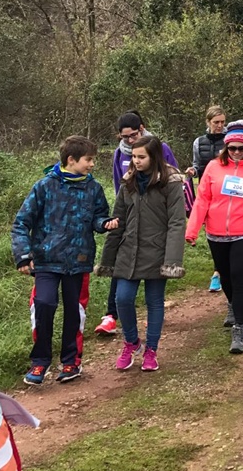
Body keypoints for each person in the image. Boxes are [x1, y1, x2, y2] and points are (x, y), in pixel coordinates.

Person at [12, 135, 112, 385]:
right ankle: (39, 363)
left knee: (74, 312)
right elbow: (21, 223)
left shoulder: (94, 188)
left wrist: (105, 224)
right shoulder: (44, 186)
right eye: (89, 160)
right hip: (45, 261)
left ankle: (71, 362)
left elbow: (99, 218)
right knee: (43, 305)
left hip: (79, 262)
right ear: (71, 159)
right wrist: (23, 256)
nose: (92, 165)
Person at [185, 121, 243, 354]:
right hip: (216, 232)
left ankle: (240, 328)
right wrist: (192, 230)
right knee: (225, 277)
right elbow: (202, 199)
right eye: (232, 148)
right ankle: (233, 305)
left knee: (239, 277)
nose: (236, 152)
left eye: (241, 148)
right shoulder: (213, 168)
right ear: (226, 147)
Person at [97, 136, 186, 373]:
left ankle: (151, 350)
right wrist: (108, 258)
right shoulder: (128, 182)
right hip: (129, 251)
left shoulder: (172, 182)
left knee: (154, 302)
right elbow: (120, 219)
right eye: (133, 156)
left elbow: (177, 222)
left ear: (154, 156)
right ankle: (132, 343)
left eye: (141, 157)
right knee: (122, 298)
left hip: (158, 251)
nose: (135, 161)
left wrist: (172, 260)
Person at [186, 105, 227, 293]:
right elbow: (197, 165)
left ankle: (221, 271)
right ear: (208, 122)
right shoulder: (198, 142)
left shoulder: (229, 141)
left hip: (226, 193)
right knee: (213, 232)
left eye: (222, 122)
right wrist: (192, 171)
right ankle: (219, 269)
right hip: (206, 193)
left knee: (226, 230)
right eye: (216, 122)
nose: (219, 126)